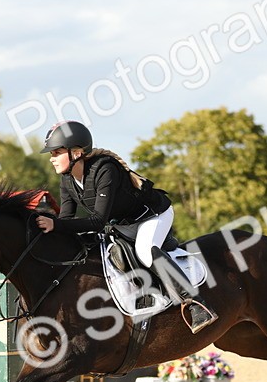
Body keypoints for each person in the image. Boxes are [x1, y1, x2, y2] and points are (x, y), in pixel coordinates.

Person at [34, 120, 217, 333]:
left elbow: (97, 221)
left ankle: (196, 303)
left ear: (76, 152)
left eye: (56, 153)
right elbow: (66, 219)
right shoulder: (67, 180)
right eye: (51, 154)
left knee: (145, 251)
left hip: (152, 216)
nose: (52, 159)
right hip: (122, 224)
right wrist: (49, 228)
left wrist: (55, 224)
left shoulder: (105, 169)